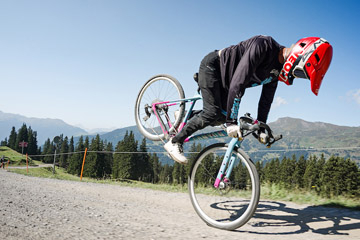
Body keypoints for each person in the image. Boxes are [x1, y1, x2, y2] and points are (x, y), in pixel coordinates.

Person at [164, 35, 333, 164]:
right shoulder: (263, 46)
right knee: (213, 112)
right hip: (213, 67)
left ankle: (184, 115)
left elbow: (266, 101)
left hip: (226, 82)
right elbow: (238, 83)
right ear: (298, 55)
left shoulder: (275, 73)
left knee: (220, 117)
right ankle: (174, 142)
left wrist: (261, 128)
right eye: (300, 73)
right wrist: (232, 122)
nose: (296, 77)